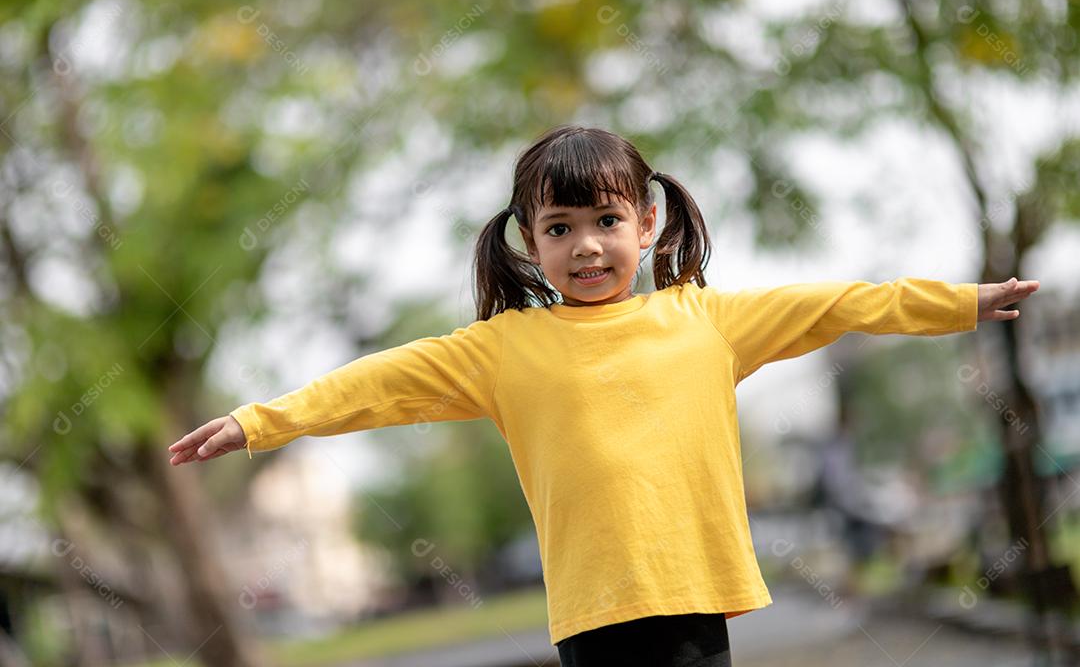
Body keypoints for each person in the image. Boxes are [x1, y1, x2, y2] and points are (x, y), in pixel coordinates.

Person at [167, 125, 1040, 666]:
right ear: (529, 244)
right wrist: (256, 423)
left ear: (647, 224)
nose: (586, 246)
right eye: (560, 229)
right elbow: (377, 385)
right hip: (593, 611)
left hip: (693, 594)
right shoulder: (505, 350)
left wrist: (964, 303)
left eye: (606, 223)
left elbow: (845, 304)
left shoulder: (707, 321)